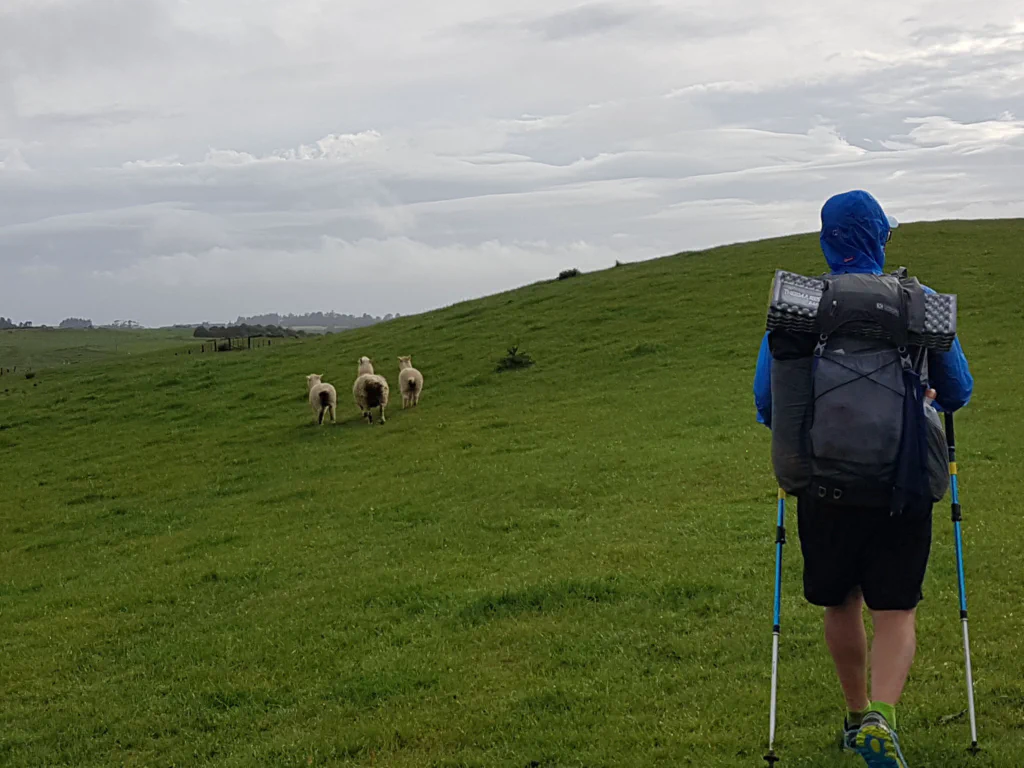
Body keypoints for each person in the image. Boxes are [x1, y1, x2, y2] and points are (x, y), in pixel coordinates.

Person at [752, 190, 974, 767]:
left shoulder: (800, 306)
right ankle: (884, 715)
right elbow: (959, 392)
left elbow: (767, 400)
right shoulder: (916, 301)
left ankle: (855, 719)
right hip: (902, 484)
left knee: (841, 603)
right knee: (896, 610)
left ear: (827, 241)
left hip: (823, 484)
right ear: (879, 238)